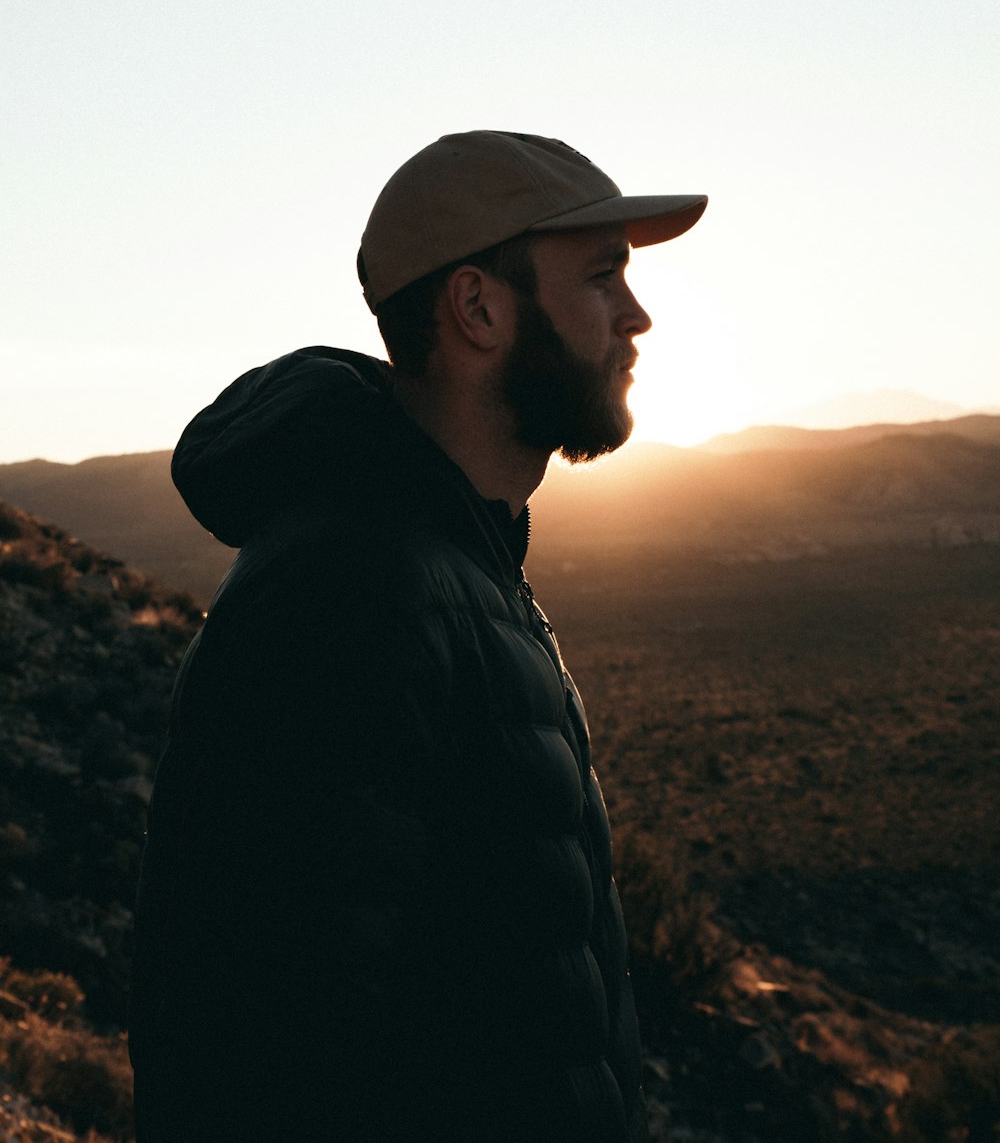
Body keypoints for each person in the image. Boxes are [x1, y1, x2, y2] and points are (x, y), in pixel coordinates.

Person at [128, 130, 707, 1142]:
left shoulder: (456, 563)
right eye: (602, 276)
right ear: (478, 306)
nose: (637, 314)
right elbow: (254, 1053)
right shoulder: (352, 589)